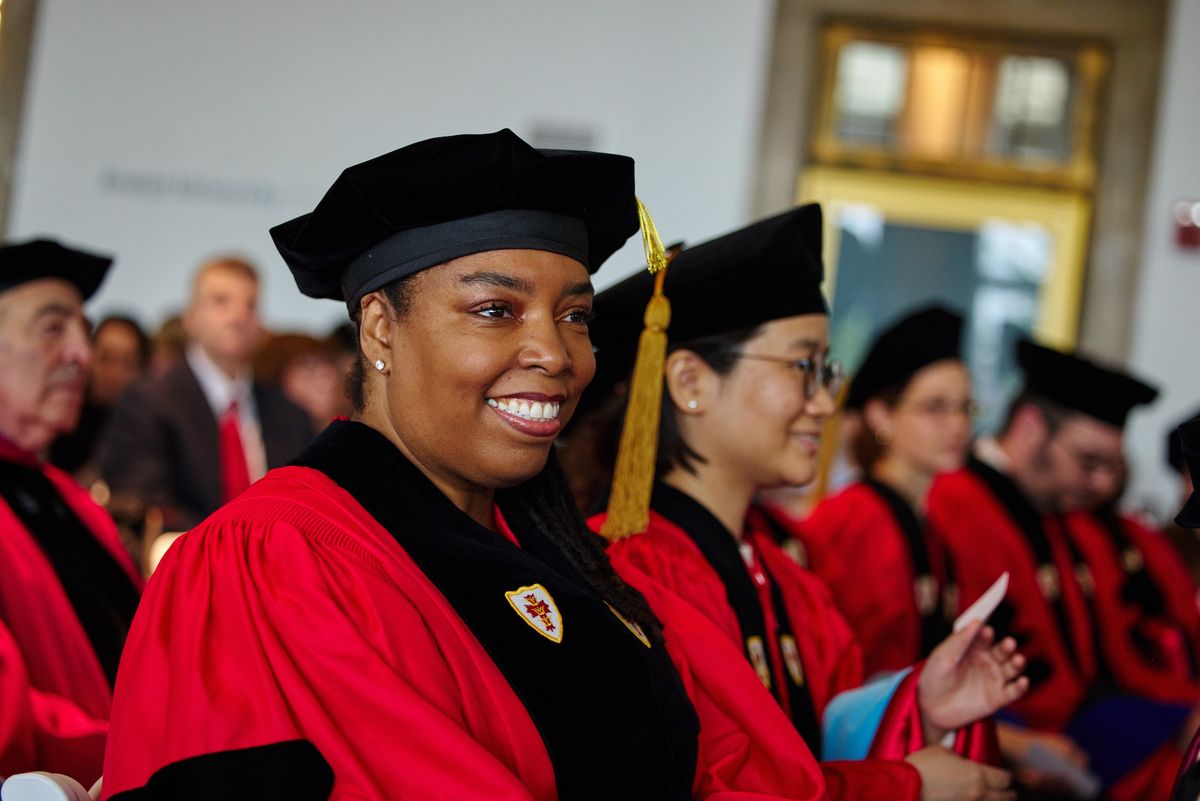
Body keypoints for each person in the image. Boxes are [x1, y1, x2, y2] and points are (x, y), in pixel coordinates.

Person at [102, 129, 832, 801]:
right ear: (381, 328)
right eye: (495, 310)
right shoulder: (274, 561)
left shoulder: (575, 558)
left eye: (575, 316)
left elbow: (726, 771)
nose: (556, 353)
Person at [585, 208, 1024, 801]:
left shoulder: (788, 579)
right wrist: (906, 786)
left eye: (826, 371)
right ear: (689, 383)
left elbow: (820, 745)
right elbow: (712, 786)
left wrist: (921, 707)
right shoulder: (622, 574)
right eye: (802, 368)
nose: (823, 403)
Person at [928, 341, 1186, 798]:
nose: (1104, 484)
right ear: (1030, 428)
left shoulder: (1056, 513)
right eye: (1088, 462)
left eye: (1111, 467)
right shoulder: (955, 505)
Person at [0, 240, 142, 786]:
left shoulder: (72, 499)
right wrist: (141, 750)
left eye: (84, 329)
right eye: (53, 328)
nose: (83, 354)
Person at [784, 305, 968, 677]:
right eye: (936, 408)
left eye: (965, 408)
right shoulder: (852, 520)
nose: (958, 425)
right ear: (880, 415)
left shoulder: (928, 521)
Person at [99, 257, 314, 530]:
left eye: (250, 305)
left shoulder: (291, 416)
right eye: (221, 301)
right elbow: (145, 507)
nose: (238, 317)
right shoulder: (148, 404)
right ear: (190, 318)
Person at [49, 315, 149, 481]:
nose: (115, 372)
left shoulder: (148, 430)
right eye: (106, 358)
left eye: (128, 363)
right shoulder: (60, 419)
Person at [253, 332, 343, 431]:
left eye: (329, 362)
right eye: (308, 367)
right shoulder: (255, 438)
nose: (327, 376)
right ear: (277, 380)